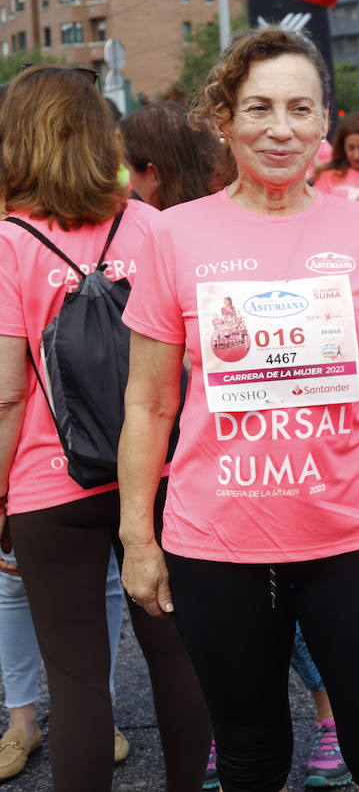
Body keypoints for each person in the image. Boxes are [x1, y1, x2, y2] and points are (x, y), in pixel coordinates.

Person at [118, 25, 359, 792]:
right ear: (223, 119)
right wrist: (137, 531)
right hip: (217, 540)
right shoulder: (174, 235)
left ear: (324, 122)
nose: (280, 127)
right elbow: (148, 398)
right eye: (258, 107)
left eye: (301, 108)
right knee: (251, 755)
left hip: (353, 534)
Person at [0, 65, 213, 790]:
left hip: (47, 479)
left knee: (78, 677)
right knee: (176, 651)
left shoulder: (8, 242)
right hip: (158, 469)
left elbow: (5, 394)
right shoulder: (153, 225)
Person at [121, 100, 223, 209]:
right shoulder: (231, 202)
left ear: (154, 174)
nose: (129, 183)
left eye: (129, 170)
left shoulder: (157, 224)